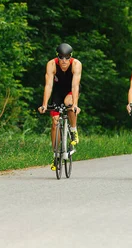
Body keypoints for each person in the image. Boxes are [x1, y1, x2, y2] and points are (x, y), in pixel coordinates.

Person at [38, 43, 82, 171]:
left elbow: (75, 86)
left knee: (69, 104)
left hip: (71, 90)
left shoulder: (76, 64)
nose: (64, 61)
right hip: (57, 91)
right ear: (57, 57)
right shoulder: (51, 64)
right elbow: (48, 86)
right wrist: (45, 105)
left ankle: (73, 130)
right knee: (55, 122)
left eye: (67, 57)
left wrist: (75, 105)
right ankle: (56, 154)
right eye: (61, 57)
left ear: (71, 57)